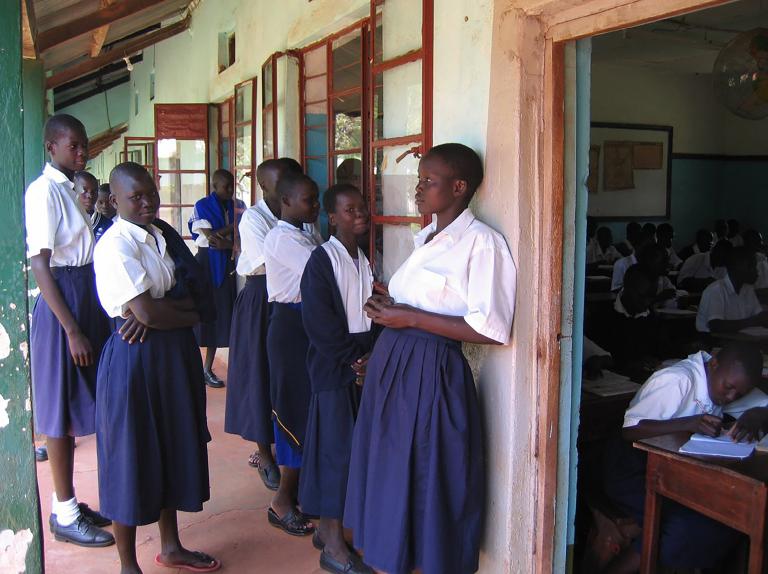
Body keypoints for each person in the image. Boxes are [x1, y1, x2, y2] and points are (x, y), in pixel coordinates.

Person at [345, 143, 516, 574]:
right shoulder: (429, 236)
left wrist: (410, 316)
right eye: (419, 181)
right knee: (389, 469)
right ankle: (389, 558)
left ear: (459, 187)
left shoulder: (481, 244)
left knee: (424, 472)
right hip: (398, 363)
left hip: (432, 371)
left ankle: (422, 562)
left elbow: (491, 329)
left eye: (428, 182)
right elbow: (427, 305)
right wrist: (391, 303)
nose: (418, 190)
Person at [93, 162, 219, 574]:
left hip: (173, 355)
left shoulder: (161, 235)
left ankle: (172, 545)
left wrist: (162, 312)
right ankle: (128, 564)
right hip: (136, 360)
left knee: (172, 445)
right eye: (136, 197)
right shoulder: (115, 245)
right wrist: (159, 311)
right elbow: (147, 312)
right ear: (114, 201)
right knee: (131, 456)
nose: (148, 202)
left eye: (152, 193)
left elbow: (198, 300)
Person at [25, 114, 113, 547]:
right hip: (64, 303)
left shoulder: (68, 189)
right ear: (51, 147)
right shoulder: (43, 192)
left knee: (83, 402)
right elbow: (41, 262)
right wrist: (72, 329)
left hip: (83, 292)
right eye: (73, 146)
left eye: (84, 146)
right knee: (59, 410)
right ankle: (62, 511)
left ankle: (75, 503)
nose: (82, 153)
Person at [602, 343, 764, 573]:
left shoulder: (728, 381)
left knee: (716, 518)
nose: (730, 397)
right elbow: (629, 431)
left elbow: (762, 404)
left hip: (672, 473)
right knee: (685, 525)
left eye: (739, 395)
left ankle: (647, 538)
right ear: (714, 363)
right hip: (630, 470)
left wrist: (758, 414)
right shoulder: (677, 381)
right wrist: (688, 423)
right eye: (728, 388)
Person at [299, 184, 377, 574]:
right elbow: (319, 322)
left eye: (363, 208)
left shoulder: (361, 259)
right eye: (350, 210)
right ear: (332, 217)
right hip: (336, 366)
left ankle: (330, 530)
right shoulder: (322, 260)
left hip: (359, 364)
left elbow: (369, 312)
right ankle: (332, 545)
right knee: (335, 455)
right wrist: (354, 359)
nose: (360, 215)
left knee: (349, 451)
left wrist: (370, 354)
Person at [225, 159, 309, 490]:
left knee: (287, 378)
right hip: (262, 298)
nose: (286, 188)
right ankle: (264, 453)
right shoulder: (254, 220)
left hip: (293, 302)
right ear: (263, 186)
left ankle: (292, 447)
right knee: (259, 375)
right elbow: (274, 263)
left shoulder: (300, 213)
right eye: (279, 183)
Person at [263, 172, 321, 536]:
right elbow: (324, 271)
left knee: (310, 411)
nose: (315, 206)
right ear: (285, 202)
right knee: (292, 413)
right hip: (290, 328)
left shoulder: (305, 232)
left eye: (316, 200)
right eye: (308, 200)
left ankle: (301, 491)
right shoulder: (282, 238)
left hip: (308, 325)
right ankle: (282, 500)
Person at [188, 169, 244, 387]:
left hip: (229, 265)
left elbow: (232, 239)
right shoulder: (203, 205)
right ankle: (202, 368)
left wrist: (228, 237)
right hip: (208, 267)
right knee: (207, 319)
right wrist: (234, 226)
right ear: (214, 186)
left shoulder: (235, 205)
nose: (229, 191)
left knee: (226, 319)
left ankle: (212, 368)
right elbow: (210, 238)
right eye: (225, 187)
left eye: (232, 186)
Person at [696, 246, 768, 333]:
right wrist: (753, 321)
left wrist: (763, 318)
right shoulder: (716, 290)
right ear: (737, 266)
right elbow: (716, 326)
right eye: (751, 266)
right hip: (713, 343)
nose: (757, 271)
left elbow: (758, 316)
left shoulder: (748, 289)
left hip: (739, 342)